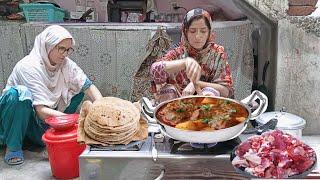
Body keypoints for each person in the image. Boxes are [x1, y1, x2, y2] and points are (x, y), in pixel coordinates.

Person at [0, 25, 103, 165]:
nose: (65, 54)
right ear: (48, 46)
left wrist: (103, 108)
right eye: (61, 49)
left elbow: (88, 86)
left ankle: (51, 134)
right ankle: (13, 146)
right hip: (22, 120)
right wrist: (76, 120)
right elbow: (41, 111)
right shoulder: (28, 67)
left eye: (68, 50)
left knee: (76, 90)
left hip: (44, 121)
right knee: (17, 95)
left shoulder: (66, 65)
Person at [150, 8, 234, 104]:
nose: (198, 36)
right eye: (193, 31)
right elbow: (154, 70)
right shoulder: (178, 53)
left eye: (203, 31)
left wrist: (196, 84)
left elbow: (226, 91)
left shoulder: (218, 53)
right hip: (177, 108)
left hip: (208, 113)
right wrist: (185, 62)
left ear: (209, 32)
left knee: (209, 92)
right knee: (168, 90)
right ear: (186, 32)